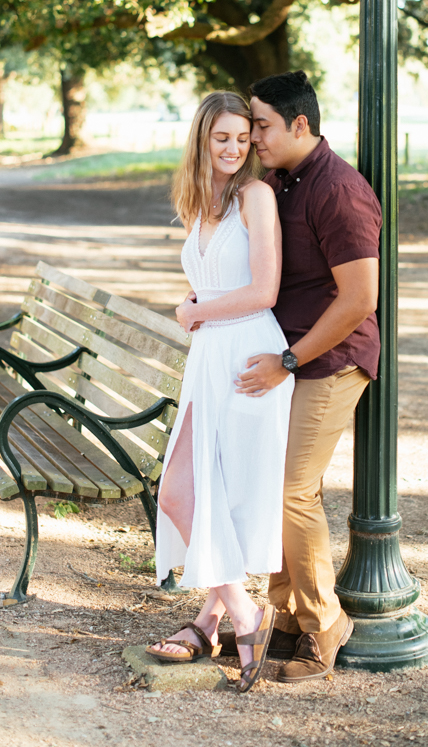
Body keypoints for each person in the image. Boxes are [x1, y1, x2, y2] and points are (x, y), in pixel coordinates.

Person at [221, 70, 382, 683]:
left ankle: (324, 624)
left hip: (330, 360)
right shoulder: (277, 183)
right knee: (271, 485)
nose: (253, 137)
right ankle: (284, 614)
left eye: (261, 125)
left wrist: (288, 361)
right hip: (284, 357)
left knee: (292, 490)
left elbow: (358, 298)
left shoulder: (339, 190)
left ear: (300, 124)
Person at [146, 91, 295, 693]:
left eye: (241, 138)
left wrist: (195, 309)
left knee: (215, 496)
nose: (234, 149)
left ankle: (222, 618)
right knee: (182, 490)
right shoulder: (196, 202)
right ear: (202, 140)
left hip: (246, 356)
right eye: (221, 139)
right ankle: (237, 615)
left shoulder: (254, 197)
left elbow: (265, 289)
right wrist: (193, 308)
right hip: (207, 357)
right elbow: (207, 280)